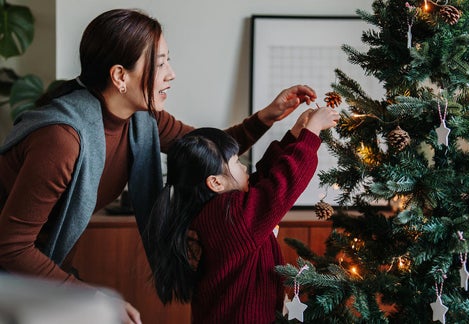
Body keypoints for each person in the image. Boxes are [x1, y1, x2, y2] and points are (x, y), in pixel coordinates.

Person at [0, 8, 317, 324]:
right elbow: (11, 247)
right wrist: (86, 295)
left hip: (35, 273)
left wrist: (266, 116)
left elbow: (205, 152)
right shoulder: (62, 139)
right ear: (120, 76)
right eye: (160, 62)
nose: (171, 73)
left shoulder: (141, 118)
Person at [142, 104, 339, 323]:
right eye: (236, 162)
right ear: (216, 183)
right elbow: (282, 183)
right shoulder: (232, 216)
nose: (245, 168)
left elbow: (263, 179)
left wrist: (294, 136)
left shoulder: (217, 209)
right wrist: (311, 132)